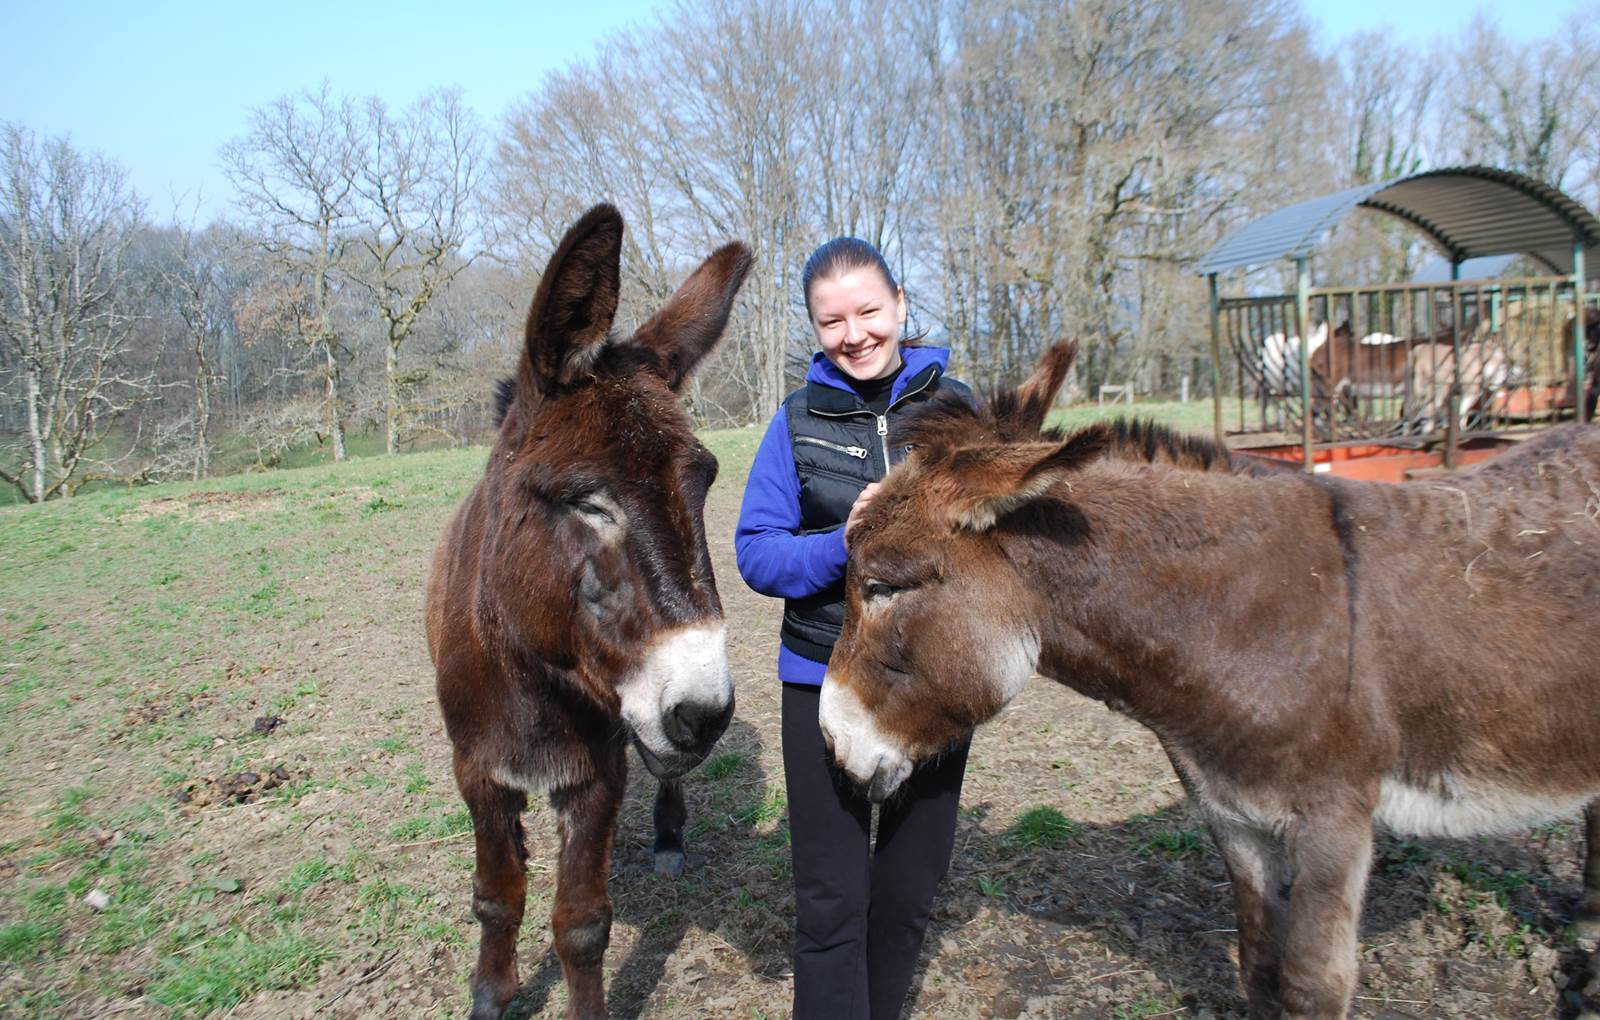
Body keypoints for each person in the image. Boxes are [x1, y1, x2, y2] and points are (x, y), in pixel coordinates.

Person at [734, 237, 973, 1020]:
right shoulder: (796, 420)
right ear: (814, 327)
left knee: (907, 892)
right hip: (823, 682)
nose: (855, 334)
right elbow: (756, 552)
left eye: (869, 311)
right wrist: (842, 544)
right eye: (831, 320)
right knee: (833, 899)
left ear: (900, 304)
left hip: (932, 686)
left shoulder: (958, 408)